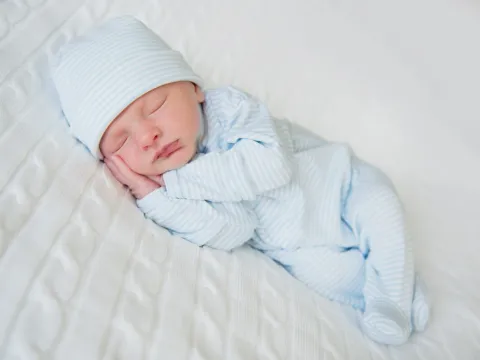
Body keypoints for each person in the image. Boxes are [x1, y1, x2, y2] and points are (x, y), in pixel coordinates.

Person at [51, 15, 429, 345]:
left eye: (155, 106)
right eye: (123, 140)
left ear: (194, 88)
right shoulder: (170, 187)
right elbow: (234, 230)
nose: (148, 135)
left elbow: (270, 167)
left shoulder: (228, 109)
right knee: (329, 276)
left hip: (341, 184)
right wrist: (155, 197)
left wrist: (178, 183)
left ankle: (393, 295)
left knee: (380, 206)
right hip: (296, 245)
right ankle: (394, 291)